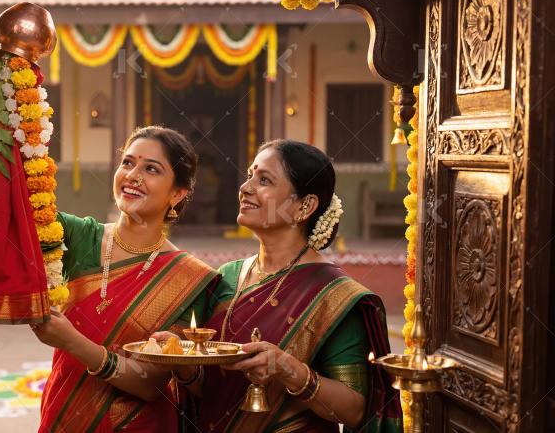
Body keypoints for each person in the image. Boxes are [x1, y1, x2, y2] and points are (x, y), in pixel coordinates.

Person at [155, 140, 401, 432]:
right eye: (250, 175)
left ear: (305, 206)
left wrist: (291, 371)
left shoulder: (334, 294)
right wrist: (182, 364)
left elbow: (355, 411)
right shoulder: (227, 277)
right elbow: (213, 391)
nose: (245, 188)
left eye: (264, 180)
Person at [32, 126, 220, 433]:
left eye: (151, 169)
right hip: (62, 414)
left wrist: (71, 342)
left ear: (177, 193)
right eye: (128, 163)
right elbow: (11, 215)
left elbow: (150, 383)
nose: (133, 176)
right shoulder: (78, 235)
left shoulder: (188, 277)